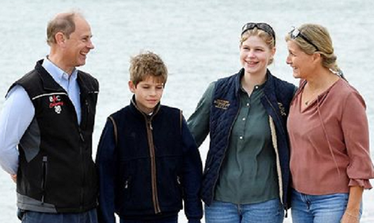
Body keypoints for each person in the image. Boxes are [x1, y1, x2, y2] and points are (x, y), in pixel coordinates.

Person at [0, 11, 99, 223]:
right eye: (85, 38)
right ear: (61, 39)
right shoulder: (28, 90)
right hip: (44, 212)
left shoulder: (90, 86)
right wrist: (25, 175)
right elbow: (2, 148)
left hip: (86, 208)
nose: (91, 46)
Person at [187, 22, 295, 223]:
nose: (251, 55)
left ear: (272, 53)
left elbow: (303, 141)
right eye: (246, 48)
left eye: (259, 50)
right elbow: (188, 140)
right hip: (219, 202)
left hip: (266, 203)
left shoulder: (286, 94)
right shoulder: (218, 90)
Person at [95, 51, 203, 223]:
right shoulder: (116, 123)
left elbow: (191, 169)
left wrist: (194, 216)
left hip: (169, 213)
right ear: (132, 86)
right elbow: (105, 176)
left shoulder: (175, 119)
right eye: (146, 87)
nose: (153, 93)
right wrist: (107, 219)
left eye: (158, 87)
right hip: (130, 215)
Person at [285, 23, 374, 223]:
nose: (287, 60)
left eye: (293, 54)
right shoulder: (302, 86)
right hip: (299, 199)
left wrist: (351, 213)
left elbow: (360, 160)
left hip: (333, 201)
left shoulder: (347, 98)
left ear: (315, 57)